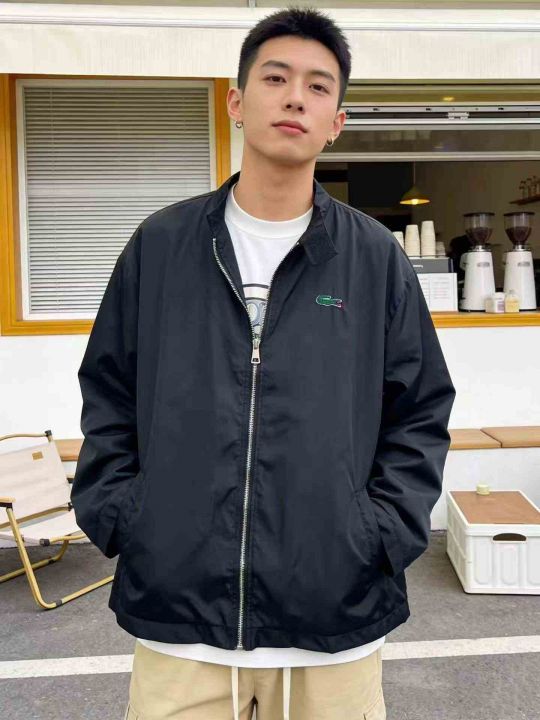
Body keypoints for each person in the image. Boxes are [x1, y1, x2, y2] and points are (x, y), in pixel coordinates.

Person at [71, 6, 456, 720]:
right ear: (236, 102)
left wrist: (379, 532)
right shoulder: (161, 247)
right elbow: (109, 392)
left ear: (337, 121)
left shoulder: (375, 259)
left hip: (333, 620)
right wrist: (125, 513)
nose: (295, 98)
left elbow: (420, 409)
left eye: (318, 86)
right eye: (275, 78)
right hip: (180, 622)